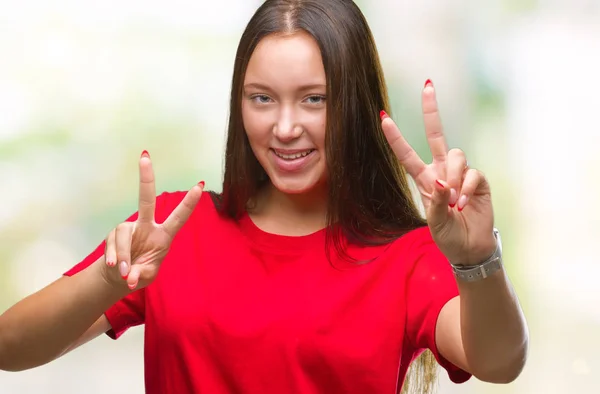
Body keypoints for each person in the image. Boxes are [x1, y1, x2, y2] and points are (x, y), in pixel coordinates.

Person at [0, 0, 529, 393]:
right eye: (262, 99)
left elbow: (501, 363)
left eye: (314, 100)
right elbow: (10, 347)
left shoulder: (405, 255)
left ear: (355, 106)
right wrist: (107, 279)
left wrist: (478, 258)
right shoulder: (170, 231)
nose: (284, 127)